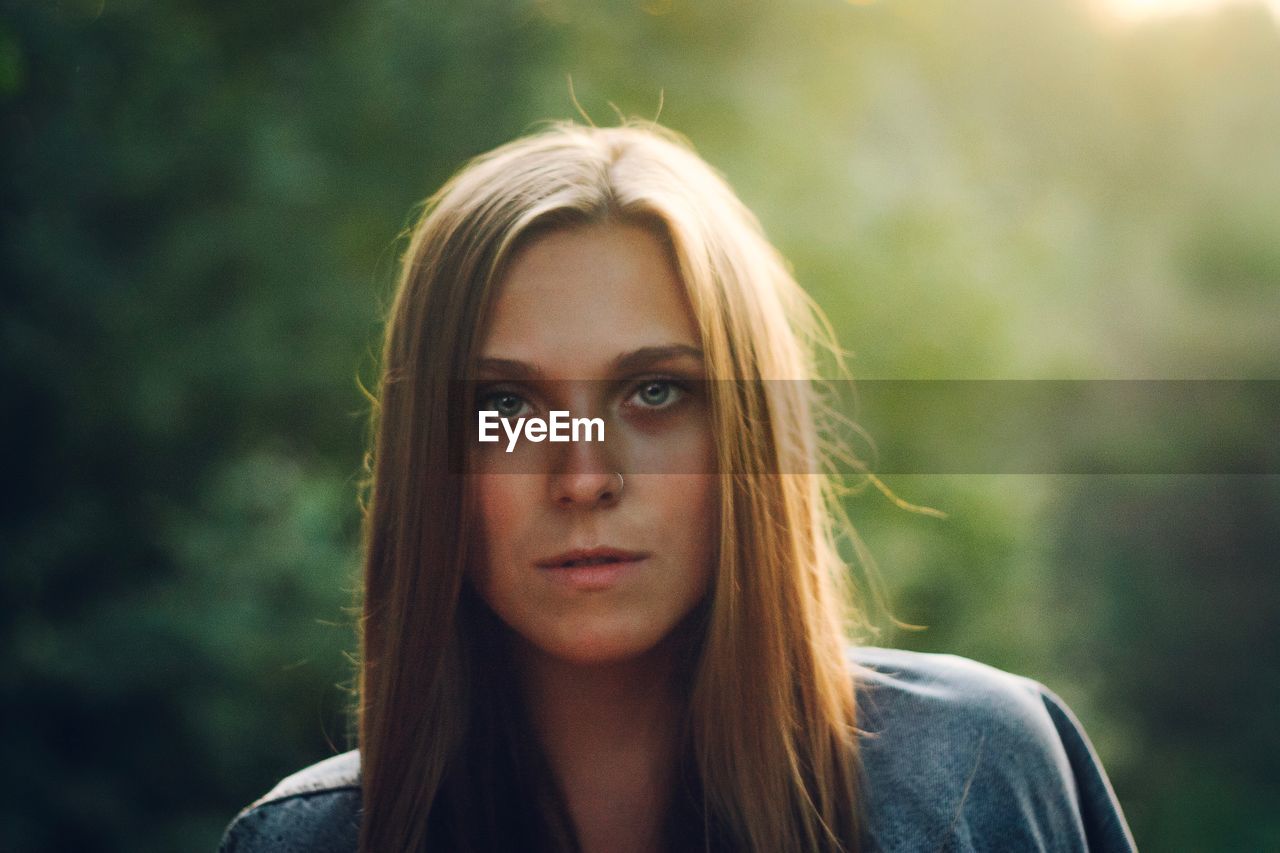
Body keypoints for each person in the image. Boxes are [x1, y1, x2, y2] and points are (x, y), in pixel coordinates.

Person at [219, 122, 1136, 852]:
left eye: (656, 392)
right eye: (506, 403)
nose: (583, 476)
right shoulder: (303, 842)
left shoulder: (975, 774)